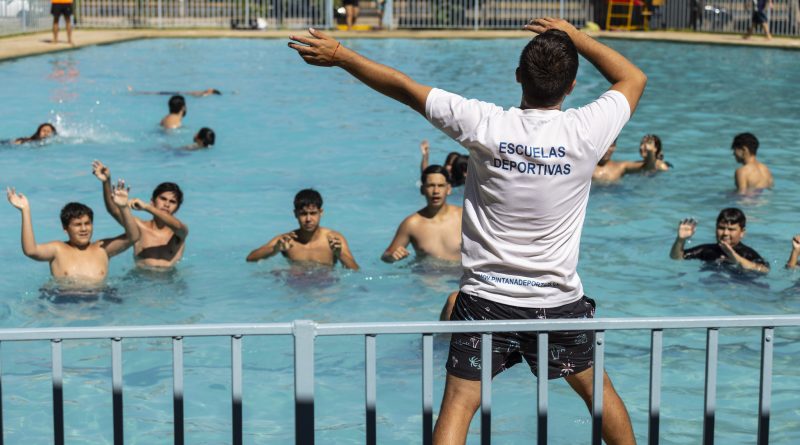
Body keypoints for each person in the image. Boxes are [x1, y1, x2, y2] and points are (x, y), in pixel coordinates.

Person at [289, 15, 646, 444]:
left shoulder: (485, 124)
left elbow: (405, 88)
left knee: (459, 404)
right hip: (557, 302)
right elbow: (632, 76)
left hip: (486, 300)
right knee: (597, 395)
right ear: (571, 86)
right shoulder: (587, 129)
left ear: (519, 77)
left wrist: (341, 56)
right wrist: (575, 36)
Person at [6, 183, 139, 288]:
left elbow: (133, 237)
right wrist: (25, 210)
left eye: (87, 223)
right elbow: (30, 250)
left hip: (100, 298)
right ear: (65, 229)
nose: (83, 229)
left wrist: (123, 208)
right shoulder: (58, 249)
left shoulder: (102, 249)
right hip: (65, 301)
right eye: (77, 224)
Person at [92, 160, 189, 269]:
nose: (167, 204)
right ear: (153, 201)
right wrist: (106, 182)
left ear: (177, 208)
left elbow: (178, 226)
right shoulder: (139, 227)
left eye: (172, 202)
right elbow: (113, 211)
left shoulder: (179, 233)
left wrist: (147, 207)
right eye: (163, 199)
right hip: (142, 282)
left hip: (170, 283)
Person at [246, 189, 359, 270]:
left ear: (321, 213)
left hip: (324, 284)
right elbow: (250, 258)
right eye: (303, 214)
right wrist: (275, 249)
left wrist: (339, 254)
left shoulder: (333, 239)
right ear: (295, 214)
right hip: (296, 282)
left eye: (313, 213)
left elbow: (355, 269)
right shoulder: (287, 240)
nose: (308, 219)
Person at [382, 165, 462, 264]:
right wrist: (392, 256)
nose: (436, 191)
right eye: (430, 186)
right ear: (422, 189)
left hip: (459, 275)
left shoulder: (463, 217)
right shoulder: (412, 224)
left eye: (440, 186)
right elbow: (386, 256)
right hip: (427, 276)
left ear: (449, 189)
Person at [669, 208, 769, 274]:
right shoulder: (707, 250)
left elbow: (764, 270)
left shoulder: (747, 253)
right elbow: (676, 257)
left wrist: (734, 257)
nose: (725, 233)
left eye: (731, 229)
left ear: (742, 232)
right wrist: (680, 240)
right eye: (721, 228)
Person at [592, 135, 667, 183]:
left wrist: (650, 152)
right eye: (604, 146)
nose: (607, 149)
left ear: (615, 147)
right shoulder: (588, 166)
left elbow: (647, 168)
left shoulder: (621, 166)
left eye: (611, 146)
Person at [129, 87, 221, 97]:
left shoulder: (205, 94)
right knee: (158, 93)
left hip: (178, 94)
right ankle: (137, 92)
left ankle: (136, 92)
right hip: (179, 93)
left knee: (157, 93)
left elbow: (198, 96)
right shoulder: (204, 93)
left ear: (212, 91)